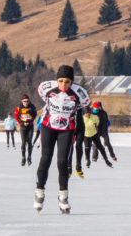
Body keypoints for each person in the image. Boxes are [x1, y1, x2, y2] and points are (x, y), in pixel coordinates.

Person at [33, 64, 89, 214]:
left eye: (67, 82)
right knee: (45, 159)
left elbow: (83, 106)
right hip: (48, 126)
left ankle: (63, 196)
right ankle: (39, 192)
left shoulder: (80, 94)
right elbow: (43, 98)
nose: (63, 85)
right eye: (61, 81)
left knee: (63, 162)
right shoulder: (46, 88)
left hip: (67, 129)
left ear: (72, 82)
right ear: (57, 80)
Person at [16, 95, 37, 166]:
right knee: (23, 142)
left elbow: (35, 114)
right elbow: (16, 117)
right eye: (24, 101)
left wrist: (30, 120)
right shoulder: (18, 108)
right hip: (23, 127)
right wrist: (21, 123)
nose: (26, 103)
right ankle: (23, 157)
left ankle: (29, 157)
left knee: (29, 142)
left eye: (27, 101)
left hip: (30, 127)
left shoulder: (32, 106)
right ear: (22, 101)